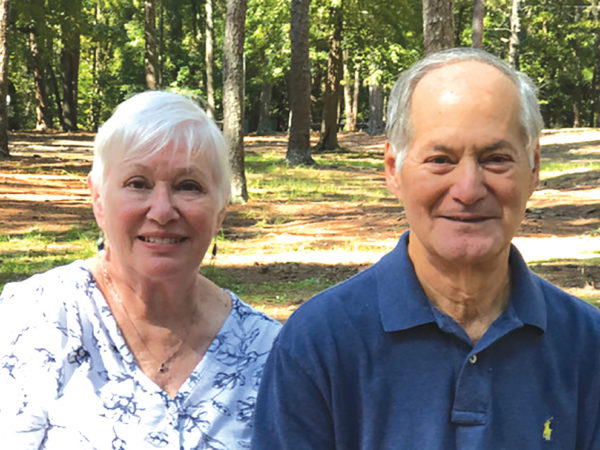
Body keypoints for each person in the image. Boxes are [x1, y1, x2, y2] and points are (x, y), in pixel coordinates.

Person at [251, 48, 600, 449]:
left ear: (534, 167)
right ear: (393, 169)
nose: (468, 190)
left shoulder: (586, 346)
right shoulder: (319, 344)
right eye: (440, 159)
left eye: (496, 159)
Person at [0, 91, 281, 448]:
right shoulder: (36, 321)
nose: (162, 211)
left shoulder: (268, 352)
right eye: (137, 184)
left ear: (220, 211)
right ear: (99, 200)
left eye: (188, 186)